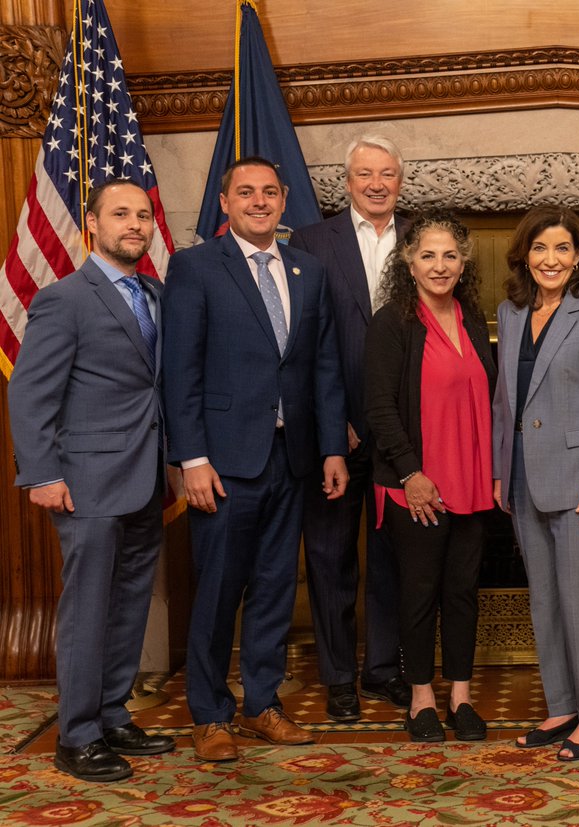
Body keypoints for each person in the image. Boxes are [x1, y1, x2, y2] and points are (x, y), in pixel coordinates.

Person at [163, 156, 349, 763]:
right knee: (218, 591)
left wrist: (328, 449)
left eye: (270, 192)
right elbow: (181, 371)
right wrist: (191, 458)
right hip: (222, 461)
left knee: (274, 588)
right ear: (225, 202)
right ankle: (209, 714)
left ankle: (261, 704)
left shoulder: (308, 270)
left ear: (285, 198)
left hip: (289, 458)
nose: (260, 202)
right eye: (246, 193)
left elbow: (322, 368)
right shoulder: (194, 268)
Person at [8, 179, 176, 782]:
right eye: (120, 214)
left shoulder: (156, 293)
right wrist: (42, 473)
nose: (135, 223)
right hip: (83, 482)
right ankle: (76, 736)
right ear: (92, 224)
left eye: (143, 215)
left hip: (144, 477)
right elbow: (30, 392)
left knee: (129, 604)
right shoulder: (65, 299)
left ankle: (110, 713)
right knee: (87, 610)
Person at [492, 206, 579, 761]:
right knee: (545, 602)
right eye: (541, 248)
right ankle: (562, 706)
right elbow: (507, 402)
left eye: (562, 249)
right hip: (524, 480)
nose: (551, 259)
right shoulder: (510, 311)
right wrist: (502, 471)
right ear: (525, 254)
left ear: (578, 257)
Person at [289, 135, 409, 721]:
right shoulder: (310, 242)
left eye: (386, 173)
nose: (376, 183)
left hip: (404, 439)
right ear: (348, 181)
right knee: (332, 559)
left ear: (400, 180)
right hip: (335, 434)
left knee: (393, 559)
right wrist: (333, 420)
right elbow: (301, 342)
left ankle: (383, 669)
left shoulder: (425, 239)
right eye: (365, 174)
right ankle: (338, 678)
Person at [363, 211, 495, 743]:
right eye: (427, 255)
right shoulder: (392, 321)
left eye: (449, 255)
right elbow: (378, 407)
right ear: (408, 263)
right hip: (414, 484)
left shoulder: (471, 314)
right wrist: (411, 473)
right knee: (419, 594)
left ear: (463, 263)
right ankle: (421, 701)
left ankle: (460, 696)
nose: (439, 265)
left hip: (471, 480)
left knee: (463, 592)